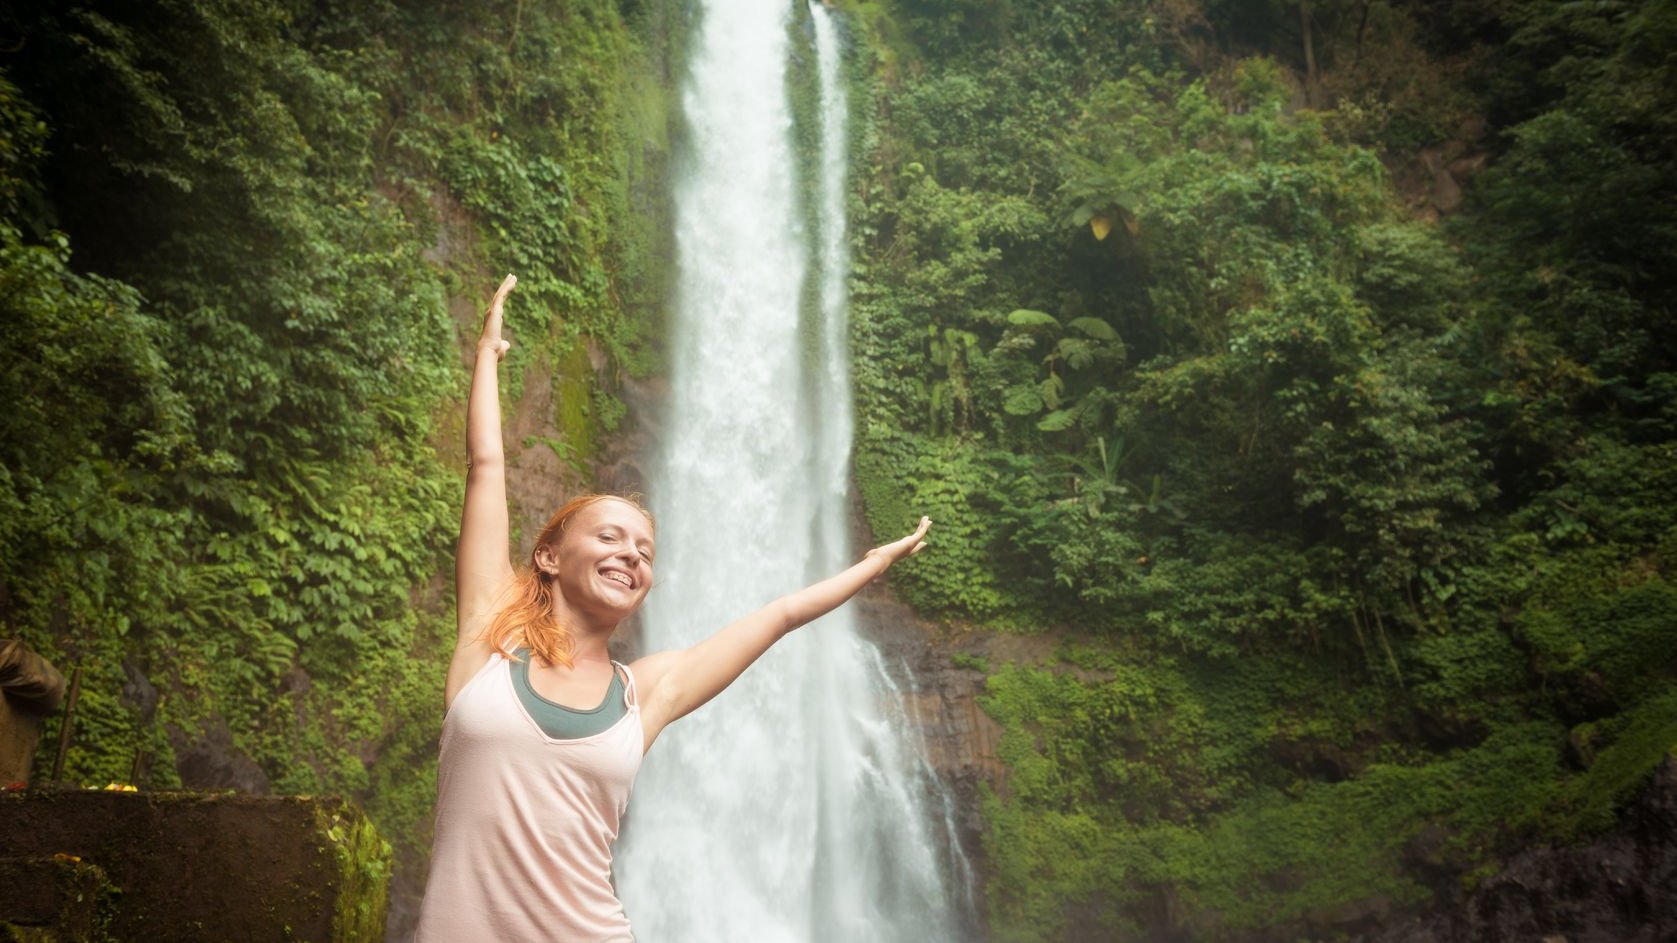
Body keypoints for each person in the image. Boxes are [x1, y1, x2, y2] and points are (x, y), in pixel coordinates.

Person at [411, 274, 932, 942]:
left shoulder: (644, 692)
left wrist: (871, 564)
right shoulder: (489, 641)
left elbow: (777, 616)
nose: (631, 555)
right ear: (548, 556)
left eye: (645, 551)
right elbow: (486, 465)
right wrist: (486, 355)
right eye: (608, 536)